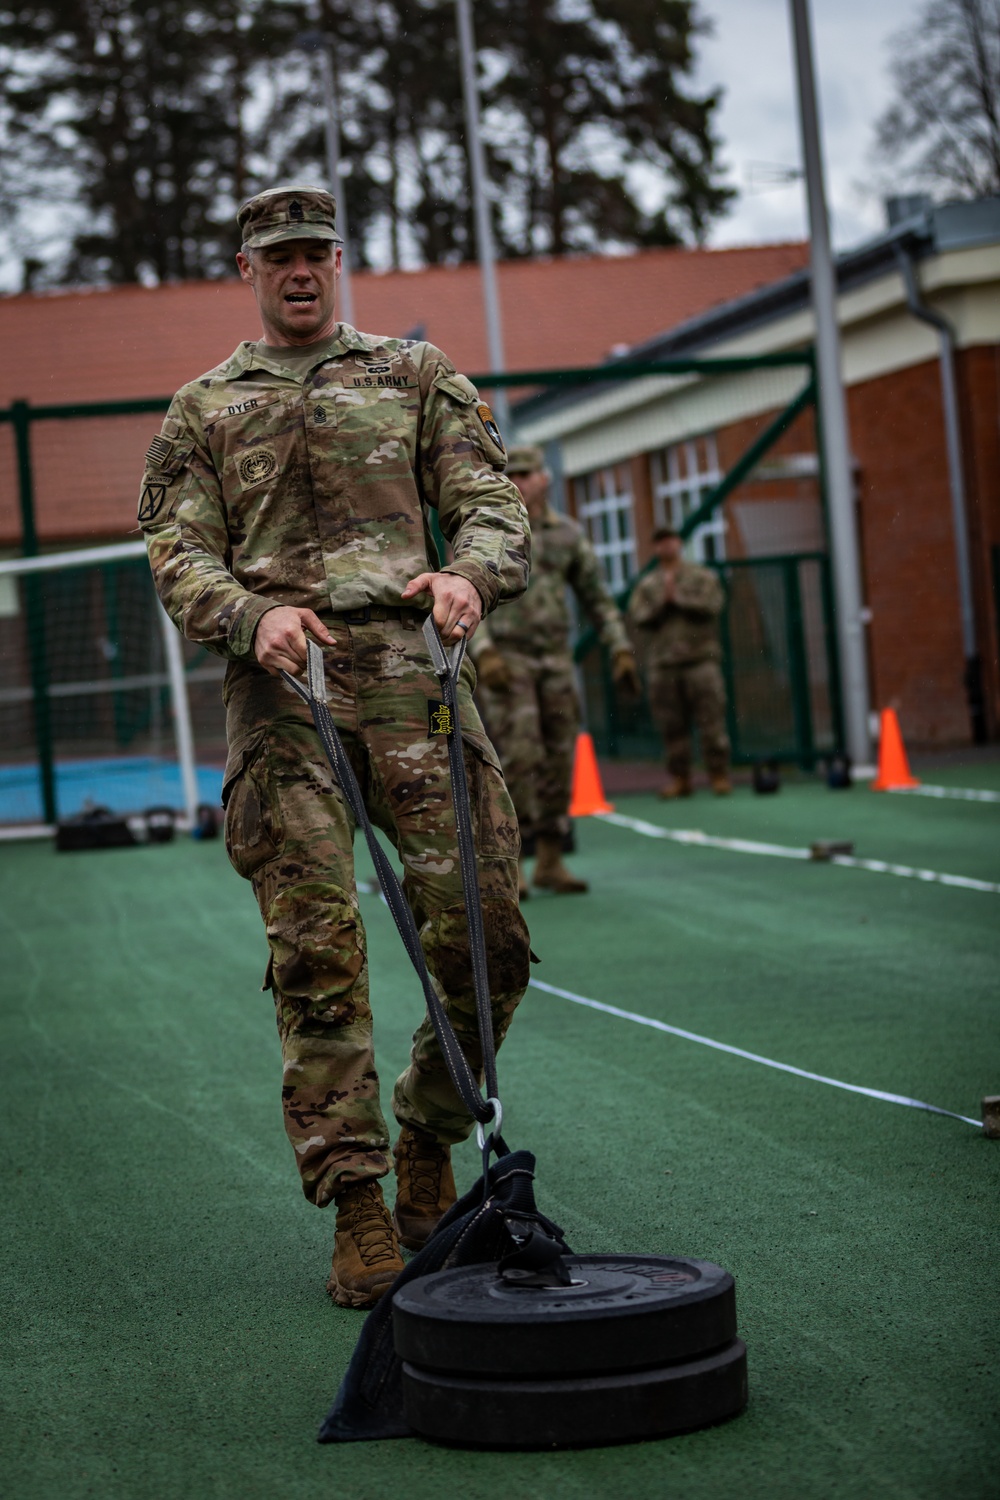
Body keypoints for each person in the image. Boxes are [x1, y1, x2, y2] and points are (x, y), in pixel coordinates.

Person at [138, 185, 532, 1310]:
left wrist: (469, 573)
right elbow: (174, 549)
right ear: (248, 270)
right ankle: (358, 1204)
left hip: (413, 679)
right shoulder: (202, 408)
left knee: (488, 930)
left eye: (314, 252)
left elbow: (491, 502)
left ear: (339, 260)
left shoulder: (415, 377)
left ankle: (427, 1130)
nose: (299, 271)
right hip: (281, 685)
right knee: (316, 944)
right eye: (278, 257)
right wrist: (247, 614)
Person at [471, 445, 641, 897]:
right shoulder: (489, 532)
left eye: (530, 474)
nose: (523, 482)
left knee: (560, 754)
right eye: (515, 474)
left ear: (545, 479)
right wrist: (483, 652)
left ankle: (551, 857)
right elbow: (465, 594)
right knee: (518, 756)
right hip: (510, 658)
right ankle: (515, 863)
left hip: (555, 657)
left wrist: (619, 647)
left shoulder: (567, 534)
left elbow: (596, 596)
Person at [627, 525, 732, 798]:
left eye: (670, 540)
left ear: (679, 543)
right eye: (660, 541)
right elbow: (638, 615)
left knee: (712, 721)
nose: (666, 546)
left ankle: (718, 774)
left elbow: (714, 604)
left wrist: (680, 598)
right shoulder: (648, 584)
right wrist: (663, 602)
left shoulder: (700, 576)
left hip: (700, 659)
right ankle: (680, 777)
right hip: (665, 664)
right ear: (655, 547)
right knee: (671, 725)